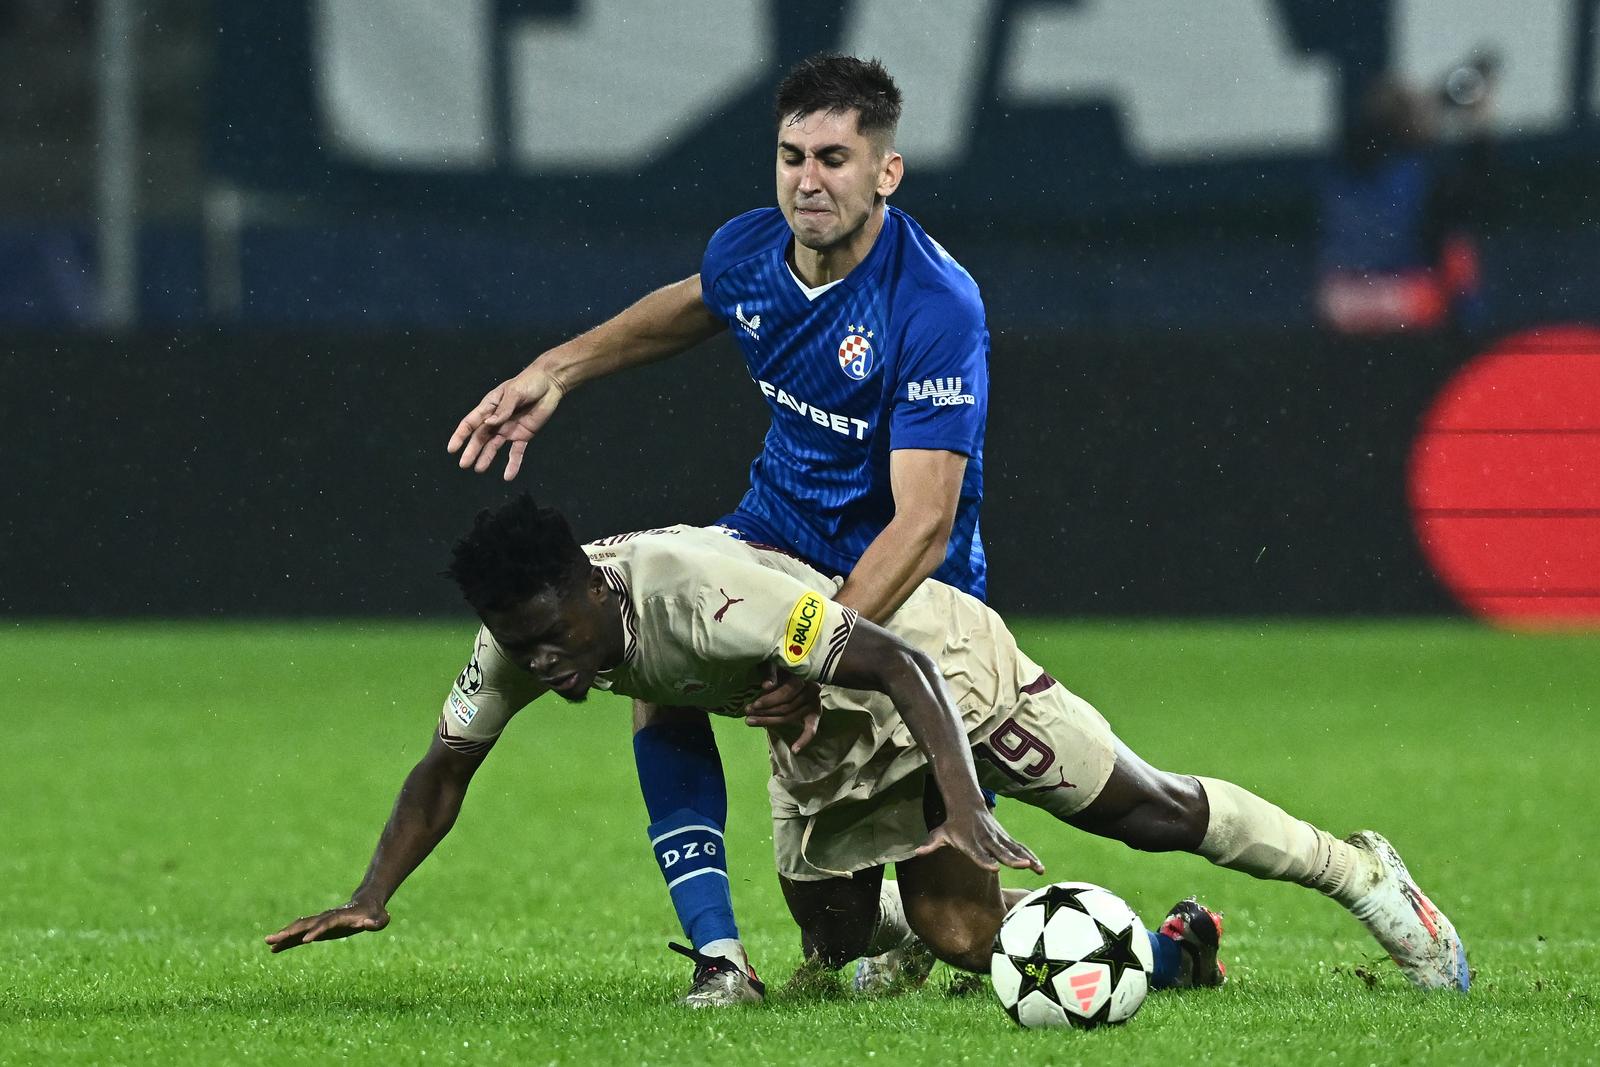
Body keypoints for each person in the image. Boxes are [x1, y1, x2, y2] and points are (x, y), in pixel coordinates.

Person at [266, 499, 1469, 997]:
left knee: (1135, 808)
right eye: (522, 652)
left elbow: (888, 663)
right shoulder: (527, 640)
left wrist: (959, 803)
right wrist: (371, 893)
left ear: (585, 586)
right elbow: (446, 764)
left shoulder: (704, 591)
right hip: (817, 719)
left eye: (550, 639)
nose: (546, 668)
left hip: (923, 656)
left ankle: (1362, 875)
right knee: (865, 942)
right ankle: (1170, 957)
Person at [445, 54, 998, 1005]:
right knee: (656, 671)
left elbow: (925, 523)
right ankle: (720, 957)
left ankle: (1159, 936)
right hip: (769, 538)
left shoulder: (935, 305)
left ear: (886, 172)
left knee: (967, 912)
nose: (808, 180)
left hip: (898, 584)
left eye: (833, 157)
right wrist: (559, 371)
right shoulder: (754, 251)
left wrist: (812, 658)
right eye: (791, 156)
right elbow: (693, 306)